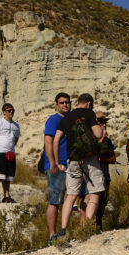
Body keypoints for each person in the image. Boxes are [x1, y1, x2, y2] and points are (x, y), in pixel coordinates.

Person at [52, 93, 105, 235]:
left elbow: (56, 140)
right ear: (88, 103)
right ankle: (87, 227)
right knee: (95, 192)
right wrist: (101, 129)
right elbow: (98, 134)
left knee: (71, 195)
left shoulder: (67, 117)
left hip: (72, 160)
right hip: (89, 159)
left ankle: (63, 229)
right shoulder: (89, 113)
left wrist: (57, 162)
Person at [79, 112, 116, 229]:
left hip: (104, 175)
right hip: (89, 175)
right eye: (101, 122)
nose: (104, 125)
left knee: (102, 203)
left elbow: (113, 159)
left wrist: (100, 157)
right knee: (87, 200)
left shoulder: (108, 141)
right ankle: (84, 227)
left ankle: (98, 227)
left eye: (105, 122)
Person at [43, 92, 71, 245]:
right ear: (56, 104)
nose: (65, 105)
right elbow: (48, 142)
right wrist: (52, 163)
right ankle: (52, 235)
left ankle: (64, 231)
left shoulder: (70, 120)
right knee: (55, 200)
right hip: (57, 165)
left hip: (69, 165)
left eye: (67, 102)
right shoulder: (53, 120)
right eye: (62, 102)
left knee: (69, 200)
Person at [0, 103, 20, 203]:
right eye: (9, 110)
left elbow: (16, 139)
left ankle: (6, 196)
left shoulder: (16, 126)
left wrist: (10, 148)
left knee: (8, 175)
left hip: (10, 153)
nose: (11, 112)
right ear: (4, 112)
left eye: (12, 110)